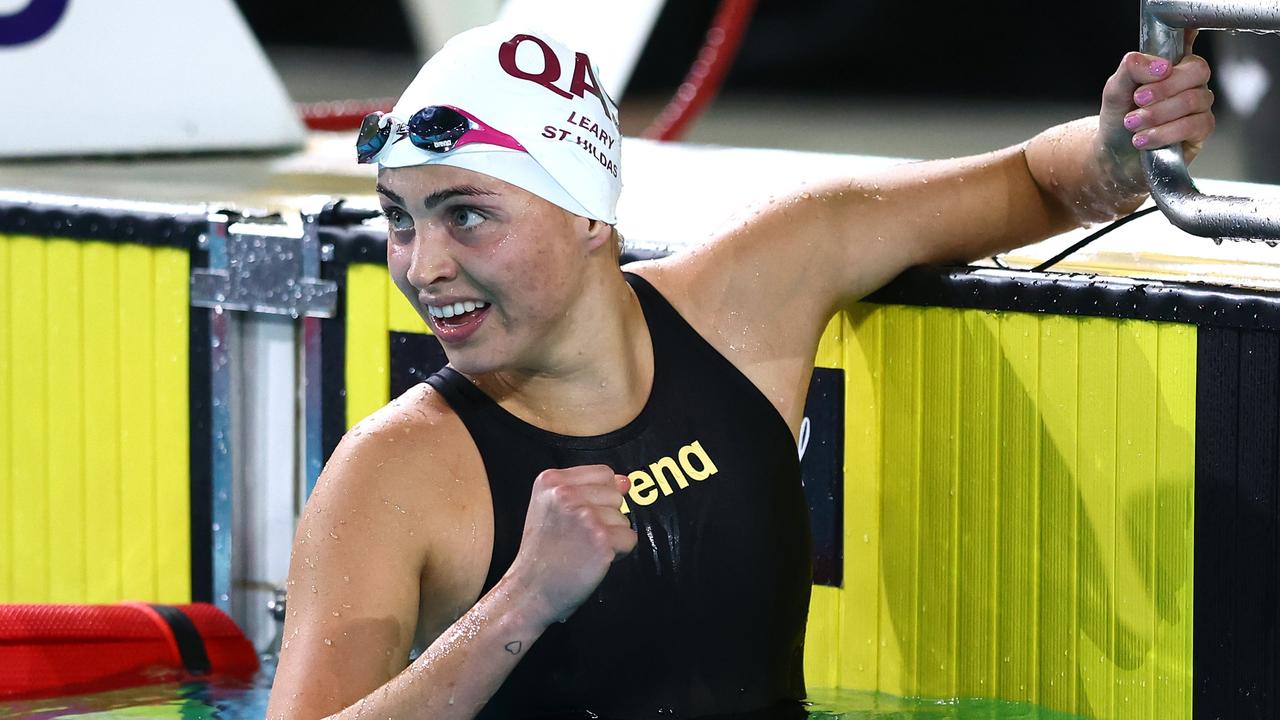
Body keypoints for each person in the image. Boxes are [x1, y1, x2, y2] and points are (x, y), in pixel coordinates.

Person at [266, 22, 1215, 720]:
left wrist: (1123, 149)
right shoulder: (391, 475)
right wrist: (521, 602)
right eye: (399, 216)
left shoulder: (750, 296)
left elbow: (1038, 181)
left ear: (589, 211)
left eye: (465, 214)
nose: (422, 265)